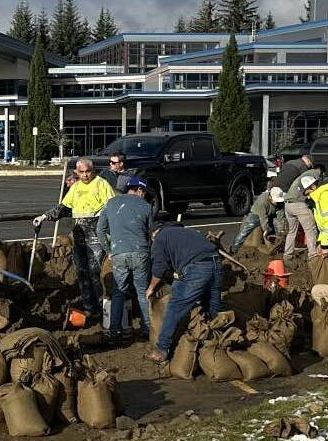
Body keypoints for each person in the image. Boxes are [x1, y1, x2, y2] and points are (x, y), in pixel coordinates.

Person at [39, 155, 112, 318]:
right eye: (82, 172)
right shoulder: (76, 187)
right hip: (79, 232)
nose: (85, 175)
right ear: (77, 172)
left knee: (95, 271)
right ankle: (89, 307)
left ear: (93, 171)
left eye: (88, 171)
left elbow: (112, 207)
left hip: (96, 231)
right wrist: (45, 216)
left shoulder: (101, 184)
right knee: (82, 271)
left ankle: (102, 308)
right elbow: (64, 207)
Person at [146, 218, 224, 364]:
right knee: (213, 306)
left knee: (175, 306)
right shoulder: (185, 231)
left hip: (198, 268)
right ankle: (220, 340)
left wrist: (151, 288)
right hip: (216, 263)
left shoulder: (160, 238)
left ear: (153, 234)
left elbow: (159, 268)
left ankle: (162, 350)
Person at [98, 175, 156, 341]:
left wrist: (109, 250)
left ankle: (115, 331)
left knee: (118, 292)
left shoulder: (111, 203)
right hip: (140, 252)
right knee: (142, 292)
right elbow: (151, 233)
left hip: (119, 253)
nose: (144, 195)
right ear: (139, 190)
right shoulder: (146, 206)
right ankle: (147, 328)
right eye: (144, 192)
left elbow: (100, 230)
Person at [279, 152, 320, 255]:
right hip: (298, 204)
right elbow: (310, 189)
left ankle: (287, 254)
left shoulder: (292, 164)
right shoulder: (313, 173)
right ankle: (313, 256)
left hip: (287, 203)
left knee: (292, 231)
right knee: (310, 230)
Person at [230, 181, 284, 251]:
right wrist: (266, 230)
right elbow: (263, 218)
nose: (277, 202)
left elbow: (280, 216)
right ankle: (234, 250)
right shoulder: (262, 201)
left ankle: (279, 247)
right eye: (275, 200)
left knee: (277, 227)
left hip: (271, 215)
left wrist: (281, 230)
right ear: (270, 197)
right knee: (244, 232)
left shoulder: (281, 202)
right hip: (256, 214)